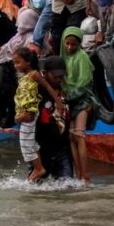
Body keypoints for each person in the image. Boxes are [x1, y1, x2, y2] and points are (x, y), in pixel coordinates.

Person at [12, 47, 65, 182]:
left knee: (26, 143)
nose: (15, 66)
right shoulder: (23, 78)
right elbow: (21, 98)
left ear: (28, 62)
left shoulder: (34, 75)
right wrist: (18, 116)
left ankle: (38, 168)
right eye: (14, 63)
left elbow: (47, 86)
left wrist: (58, 101)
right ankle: (38, 168)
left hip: (31, 114)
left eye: (18, 62)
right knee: (30, 143)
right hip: (25, 114)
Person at [59, 27, 95, 182]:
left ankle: (85, 175)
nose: (69, 47)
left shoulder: (82, 57)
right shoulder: (63, 58)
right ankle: (79, 174)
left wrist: (67, 98)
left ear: (79, 44)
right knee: (71, 137)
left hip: (82, 100)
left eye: (73, 45)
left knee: (79, 136)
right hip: (68, 102)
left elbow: (85, 83)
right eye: (67, 44)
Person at [35, 56, 75, 180]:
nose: (59, 79)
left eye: (62, 76)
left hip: (63, 150)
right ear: (45, 73)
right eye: (55, 76)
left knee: (67, 188)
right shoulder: (37, 92)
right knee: (37, 190)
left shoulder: (67, 91)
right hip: (41, 151)